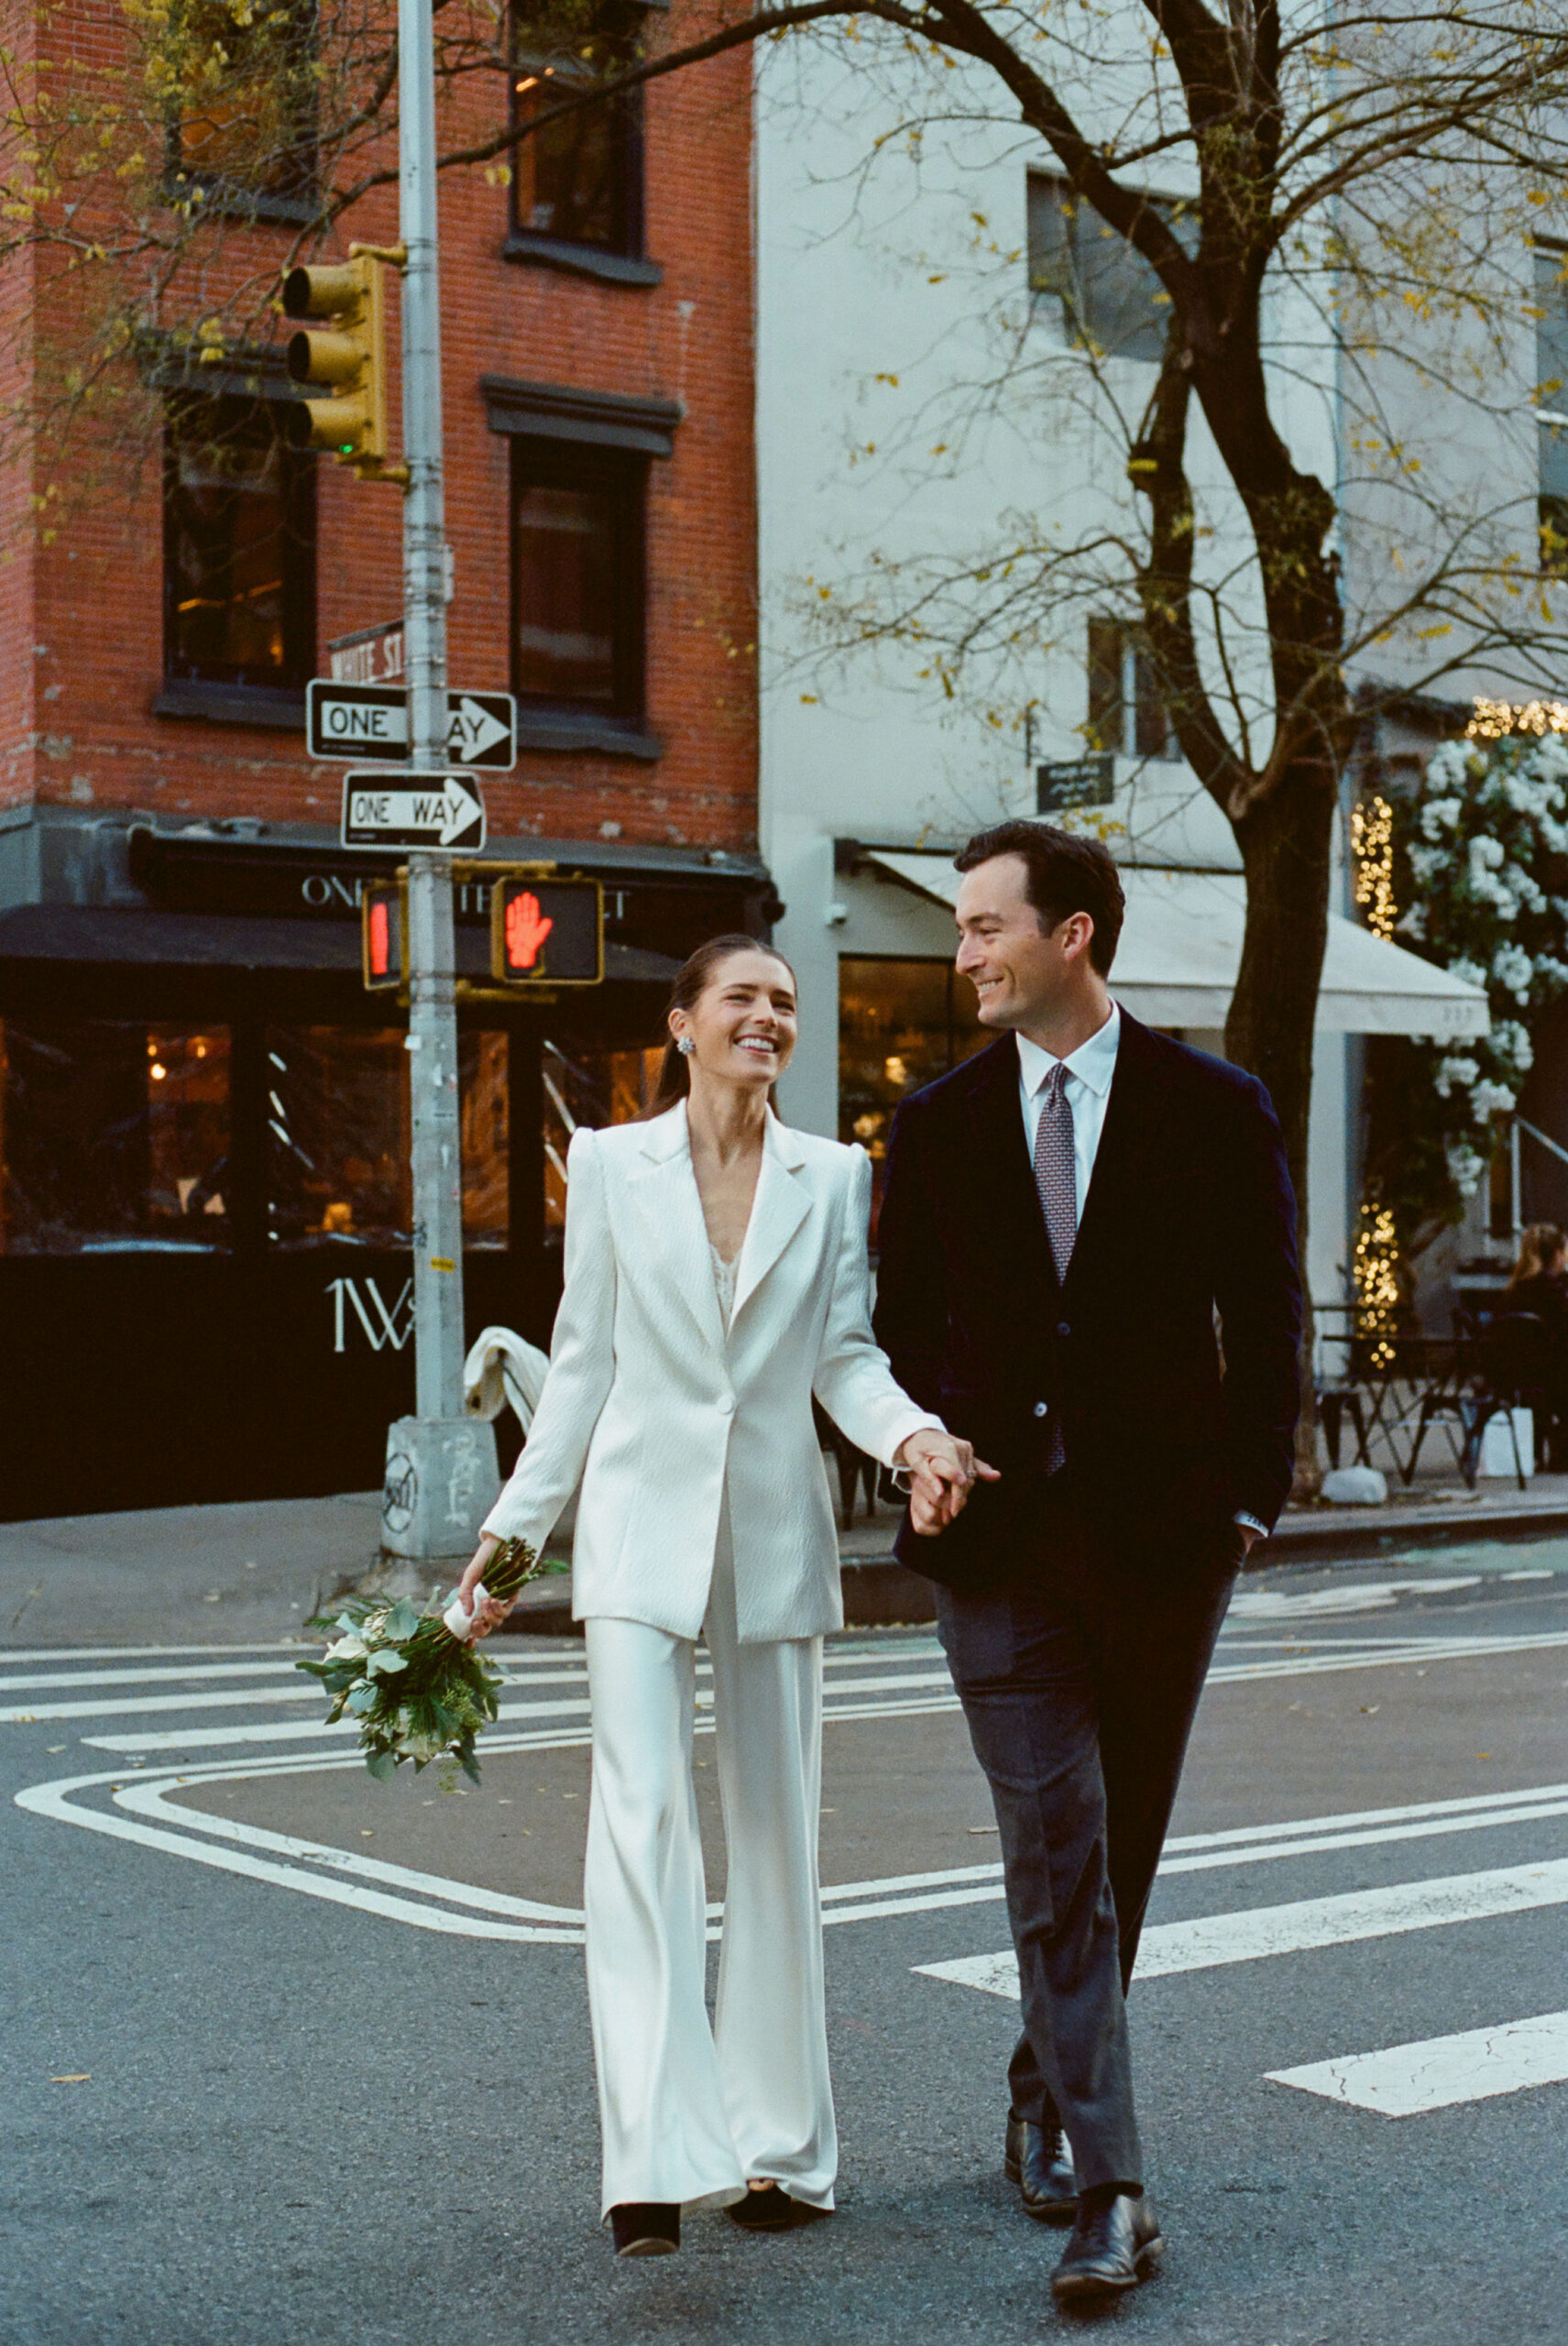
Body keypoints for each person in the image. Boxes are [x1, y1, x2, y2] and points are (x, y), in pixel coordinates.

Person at [455, 935, 984, 2259]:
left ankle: (781, 2152)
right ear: (682, 1024)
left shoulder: (833, 1172)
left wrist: (913, 1438)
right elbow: (576, 1373)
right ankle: (645, 2160)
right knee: (639, 1831)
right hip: (637, 1535)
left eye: (787, 1004)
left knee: (773, 1842)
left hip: (772, 1540)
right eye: (743, 998)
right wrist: (510, 1546)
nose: (770, 1017)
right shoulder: (613, 1166)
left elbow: (843, 1359)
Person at [872, 822, 1301, 2306]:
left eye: (987, 927)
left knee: (1118, 1845)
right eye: (959, 931)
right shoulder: (934, 1128)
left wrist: (1254, 1494)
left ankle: (1042, 2080)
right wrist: (918, 1444)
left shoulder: (1212, 1104)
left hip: (1164, 1539)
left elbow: (1270, 1304)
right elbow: (899, 1334)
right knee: (1055, 1842)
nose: (965, 955)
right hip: (995, 1542)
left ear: (1076, 937)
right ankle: (1115, 2191)